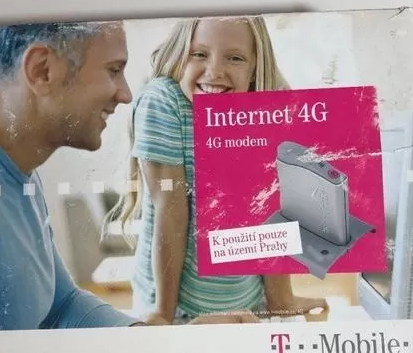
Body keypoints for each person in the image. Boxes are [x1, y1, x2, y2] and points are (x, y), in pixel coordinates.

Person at [0, 22, 259, 331]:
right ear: (42, 70)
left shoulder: (19, 174)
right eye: (113, 70)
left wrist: (165, 339)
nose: (126, 94)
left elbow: (63, 305)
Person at [111, 16, 329, 325]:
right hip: (176, 308)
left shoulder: (265, 104)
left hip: (246, 305)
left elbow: (272, 207)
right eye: (199, 54)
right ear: (180, 53)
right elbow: (170, 209)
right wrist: (163, 315)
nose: (214, 71)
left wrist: (281, 300)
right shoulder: (163, 101)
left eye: (235, 58)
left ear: (255, 67)